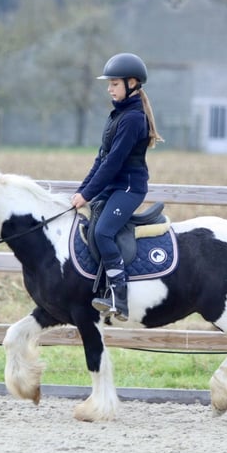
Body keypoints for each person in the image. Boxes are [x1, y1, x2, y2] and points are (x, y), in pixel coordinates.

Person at [70, 52, 164, 321]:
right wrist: (81, 192)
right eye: (109, 84)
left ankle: (119, 297)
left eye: (114, 83)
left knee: (102, 233)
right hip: (113, 186)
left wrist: (88, 193)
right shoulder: (117, 115)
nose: (109, 88)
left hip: (128, 189)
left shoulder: (133, 119)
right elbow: (100, 160)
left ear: (132, 83)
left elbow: (112, 164)